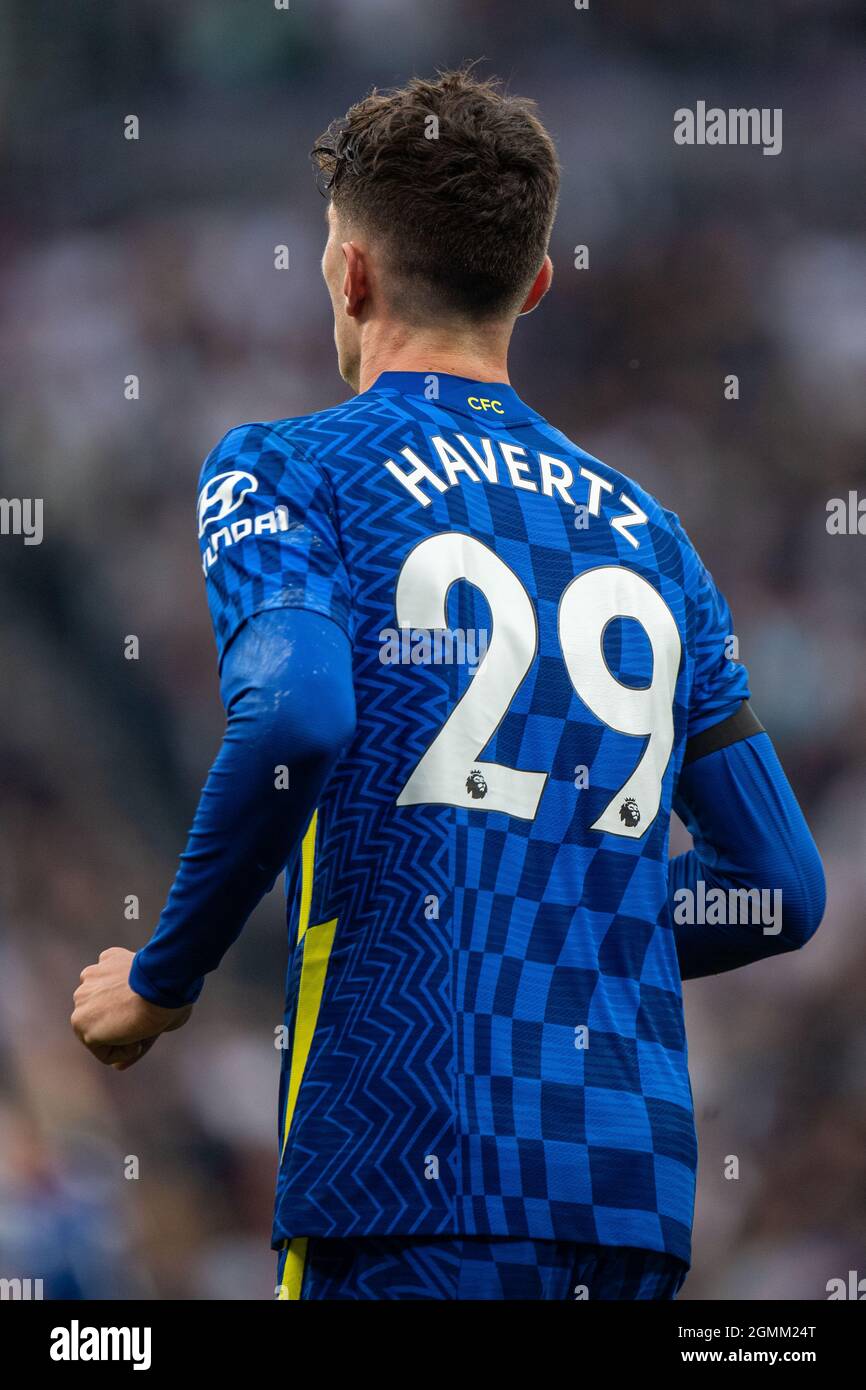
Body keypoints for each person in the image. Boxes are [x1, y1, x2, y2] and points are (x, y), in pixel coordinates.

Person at [71, 68, 825, 1301]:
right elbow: (778, 888)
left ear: (349, 274)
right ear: (533, 285)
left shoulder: (289, 471)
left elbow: (296, 715)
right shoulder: (650, 534)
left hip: (403, 1161)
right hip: (624, 1195)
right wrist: (570, 921)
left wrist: (162, 979)